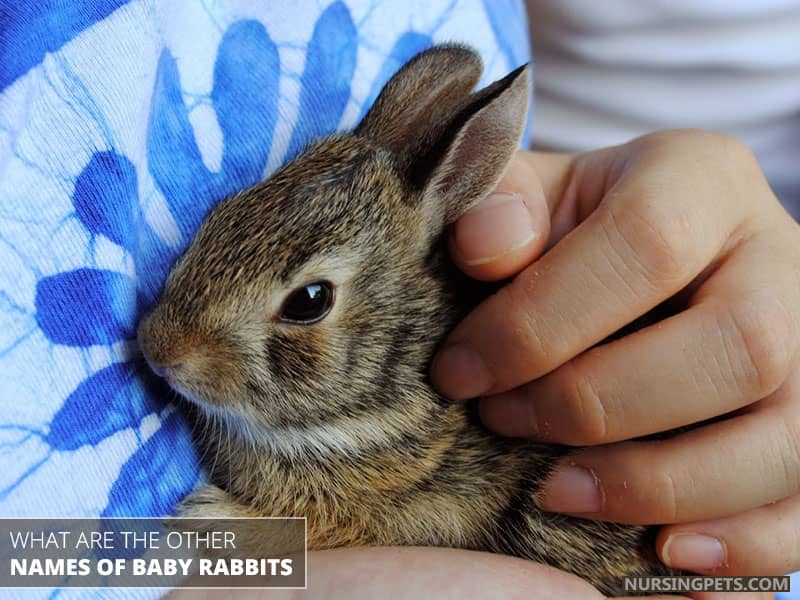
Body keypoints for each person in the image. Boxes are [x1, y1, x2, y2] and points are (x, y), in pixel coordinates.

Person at [1, 1, 797, 599]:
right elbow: (37, 552)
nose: (169, 345)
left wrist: (728, 266)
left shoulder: (426, 431)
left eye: (308, 302)